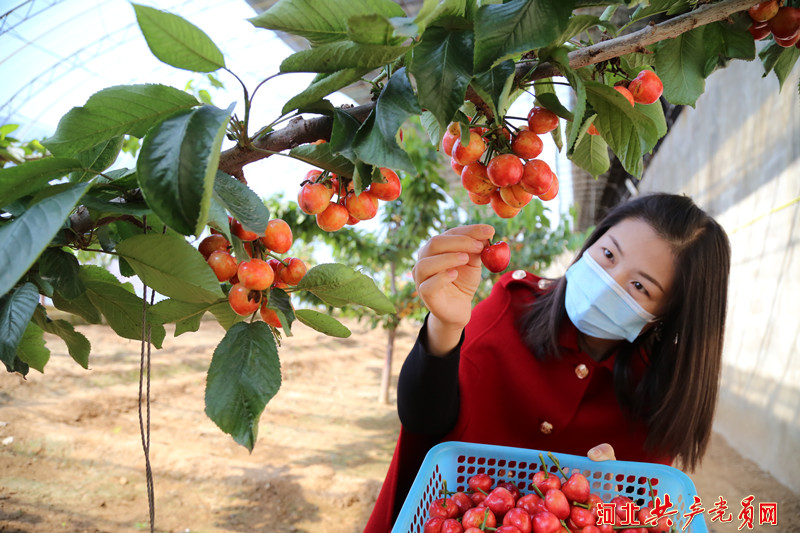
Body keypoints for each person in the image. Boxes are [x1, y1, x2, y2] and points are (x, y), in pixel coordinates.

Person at [364, 192, 731, 532]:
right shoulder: (510, 309)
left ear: (664, 316)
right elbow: (425, 422)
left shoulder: (655, 395)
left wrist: (611, 500)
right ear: (592, 243)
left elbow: (643, 512)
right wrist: (443, 326)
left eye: (640, 287)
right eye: (608, 255)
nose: (607, 282)